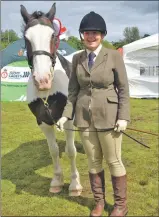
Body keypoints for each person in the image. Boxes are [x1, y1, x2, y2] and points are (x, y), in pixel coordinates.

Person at [57, 11, 130, 217]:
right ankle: (99, 202)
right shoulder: (77, 58)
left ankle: (120, 205)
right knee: (93, 161)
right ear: (81, 35)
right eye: (87, 32)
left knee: (114, 160)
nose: (91, 36)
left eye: (95, 33)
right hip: (84, 118)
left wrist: (123, 116)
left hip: (109, 116)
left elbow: (123, 89)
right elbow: (73, 91)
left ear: (103, 35)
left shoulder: (113, 56)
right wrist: (65, 115)